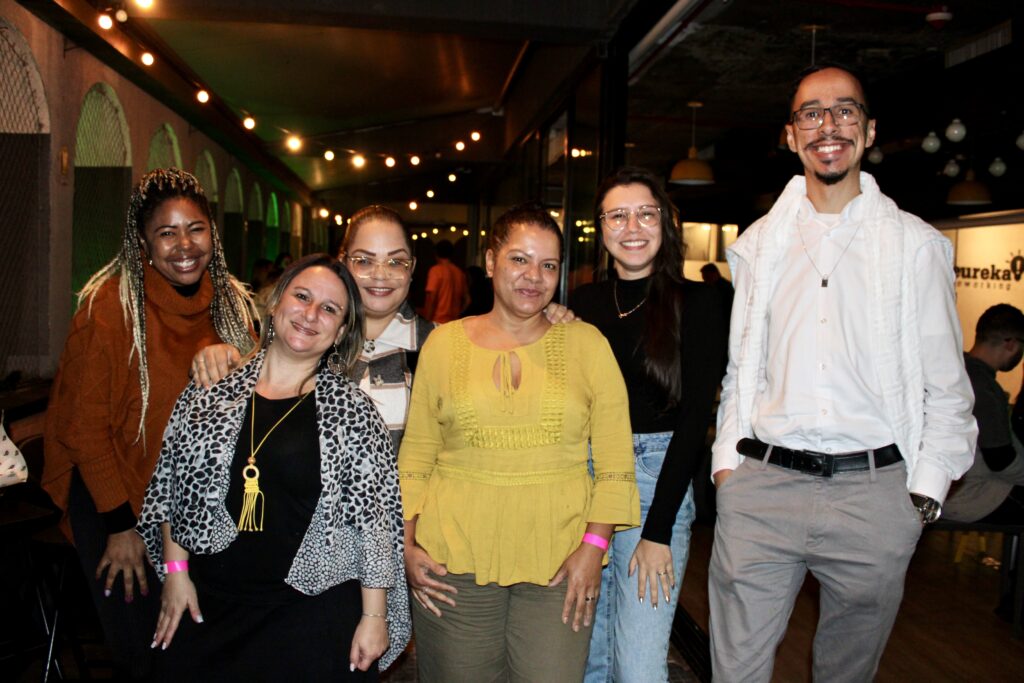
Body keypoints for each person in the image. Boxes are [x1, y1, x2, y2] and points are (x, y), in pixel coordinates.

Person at [708, 64, 977, 682]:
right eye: (811, 113)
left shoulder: (917, 247)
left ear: (869, 128)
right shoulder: (756, 245)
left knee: (845, 675)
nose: (828, 126)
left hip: (874, 495)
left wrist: (923, 495)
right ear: (791, 133)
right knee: (736, 673)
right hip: (762, 488)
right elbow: (741, 367)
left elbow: (947, 387)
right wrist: (729, 467)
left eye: (844, 111)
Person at [398, 204, 640, 682]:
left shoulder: (588, 345)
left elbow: (615, 462)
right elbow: (417, 455)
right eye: (519, 260)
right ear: (490, 263)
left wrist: (594, 548)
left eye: (548, 265)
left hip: (560, 564)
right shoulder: (443, 345)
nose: (534, 277)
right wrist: (403, 544)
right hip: (452, 560)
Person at [138, 254, 410, 679]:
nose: (310, 314)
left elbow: (374, 524)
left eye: (329, 309)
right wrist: (175, 573)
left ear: (340, 333)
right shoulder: (211, 392)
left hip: (311, 611)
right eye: (302, 297)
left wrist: (374, 617)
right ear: (275, 304)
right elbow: (174, 490)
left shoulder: (354, 413)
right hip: (211, 604)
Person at [42, 168, 256, 679]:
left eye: (196, 228)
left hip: (190, 502)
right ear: (143, 240)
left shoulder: (230, 305)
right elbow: (83, 429)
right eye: (167, 232)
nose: (184, 245)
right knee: (149, 652)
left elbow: (257, 402)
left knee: (204, 646)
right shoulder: (111, 307)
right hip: (112, 497)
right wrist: (121, 527)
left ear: (213, 233)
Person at [570, 167, 728, 683]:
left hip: (655, 479)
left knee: (637, 666)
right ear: (601, 227)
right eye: (618, 214)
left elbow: (693, 423)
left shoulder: (700, 303)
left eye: (646, 212)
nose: (632, 225)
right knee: (588, 658)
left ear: (665, 223)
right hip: (584, 482)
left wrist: (658, 530)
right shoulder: (582, 305)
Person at [944, 305, 1024, 619]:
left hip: (955, 487)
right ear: (1010, 345)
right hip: (970, 494)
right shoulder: (984, 387)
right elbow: (1001, 460)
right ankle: (1014, 606)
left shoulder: (957, 370)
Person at [337, 205, 435, 450]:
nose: (380, 274)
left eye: (395, 262)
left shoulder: (439, 345)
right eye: (364, 261)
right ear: (343, 263)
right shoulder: (314, 338)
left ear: (411, 268)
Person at [421, 239, 468, 323]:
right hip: (454, 322)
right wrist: (459, 315)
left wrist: (426, 321)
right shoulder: (459, 272)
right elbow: (468, 300)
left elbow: (432, 298)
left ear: (436, 254)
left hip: (438, 321)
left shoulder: (436, 271)